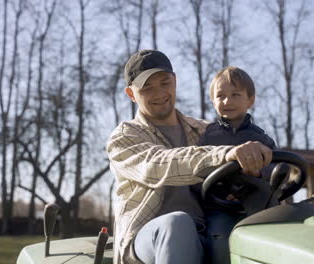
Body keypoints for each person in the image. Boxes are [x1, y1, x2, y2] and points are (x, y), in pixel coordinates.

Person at [106, 50, 272, 264]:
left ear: (174, 81)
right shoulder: (125, 137)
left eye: (164, 83)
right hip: (148, 241)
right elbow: (157, 165)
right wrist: (224, 154)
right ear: (131, 94)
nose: (159, 93)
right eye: (147, 88)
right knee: (177, 224)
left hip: (209, 229)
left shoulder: (205, 131)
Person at [199, 66, 277, 264]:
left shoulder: (261, 139)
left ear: (250, 100)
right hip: (220, 207)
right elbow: (198, 170)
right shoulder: (207, 136)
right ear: (213, 101)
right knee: (220, 237)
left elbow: (274, 169)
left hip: (256, 205)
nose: (227, 101)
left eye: (235, 94)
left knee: (272, 238)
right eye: (220, 96)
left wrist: (259, 174)